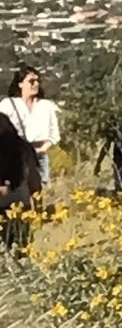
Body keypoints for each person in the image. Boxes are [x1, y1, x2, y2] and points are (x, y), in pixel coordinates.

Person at [3, 68, 61, 191]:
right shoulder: (8, 105)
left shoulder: (46, 106)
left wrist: (42, 149)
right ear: (20, 84)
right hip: (16, 154)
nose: (36, 84)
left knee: (40, 191)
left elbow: (54, 133)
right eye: (31, 81)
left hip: (39, 154)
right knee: (18, 190)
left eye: (37, 81)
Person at [0, 107, 36, 247]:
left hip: (3, 207)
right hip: (21, 206)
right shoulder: (25, 148)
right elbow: (35, 180)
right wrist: (38, 208)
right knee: (20, 251)